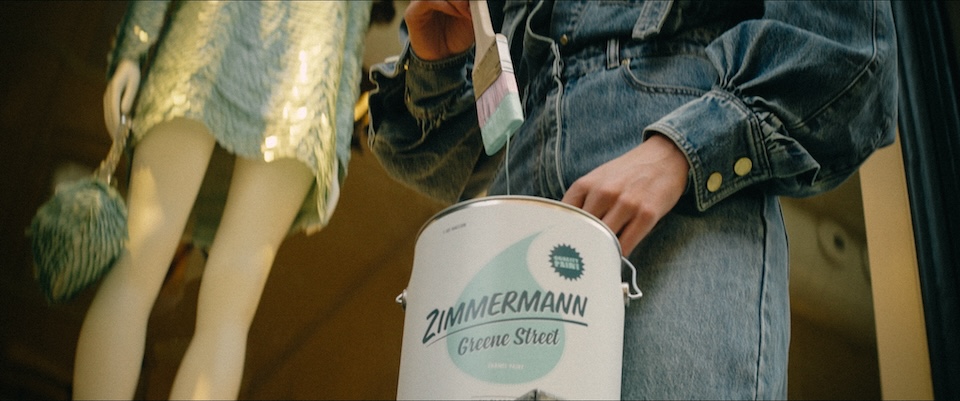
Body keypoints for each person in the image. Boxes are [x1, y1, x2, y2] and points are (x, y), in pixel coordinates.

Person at [367, 0, 898, 399]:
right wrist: (441, 62)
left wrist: (680, 152)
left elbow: (850, 52)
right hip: (519, 200)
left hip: (680, 193)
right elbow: (429, 164)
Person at [73, 1, 375, 399]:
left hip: (214, 43)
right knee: (222, 312)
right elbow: (353, 26)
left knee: (140, 269)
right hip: (296, 82)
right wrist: (334, 153)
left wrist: (133, 48)